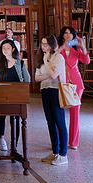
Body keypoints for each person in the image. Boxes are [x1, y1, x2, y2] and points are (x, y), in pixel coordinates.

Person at [0, 38, 30, 159]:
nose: (5, 50)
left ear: (13, 49)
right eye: (3, 48)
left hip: (16, 97)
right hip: (1, 97)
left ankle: (14, 147)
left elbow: (27, 79)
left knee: (16, 122)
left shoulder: (20, 63)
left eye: (8, 48)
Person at [35, 34, 68, 166]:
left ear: (52, 45)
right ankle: (55, 152)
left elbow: (54, 75)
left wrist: (47, 61)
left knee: (60, 122)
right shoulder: (40, 58)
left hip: (56, 91)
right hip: (45, 91)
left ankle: (63, 154)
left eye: (47, 44)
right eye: (42, 44)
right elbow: (36, 78)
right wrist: (47, 74)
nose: (44, 47)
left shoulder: (58, 57)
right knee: (50, 122)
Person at [58, 26, 90, 150]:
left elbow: (86, 61)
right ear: (62, 35)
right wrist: (61, 47)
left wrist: (83, 47)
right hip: (61, 82)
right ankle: (60, 140)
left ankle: (73, 142)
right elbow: (52, 58)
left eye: (70, 33)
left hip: (76, 84)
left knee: (75, 112)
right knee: (59, 112)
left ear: (73, 36)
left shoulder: (76, 49)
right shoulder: (58, 48)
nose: (68, 35)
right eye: (65, 33)